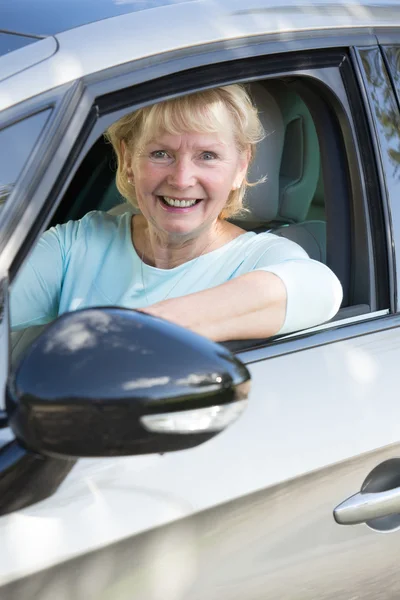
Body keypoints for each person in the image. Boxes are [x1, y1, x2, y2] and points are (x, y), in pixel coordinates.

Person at [10, 84, 342, 341]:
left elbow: (321, 290)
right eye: (160, 153)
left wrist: (131, 334)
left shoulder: (262, 258)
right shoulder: (81, 242)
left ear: (241, 165)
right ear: (127, 160)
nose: (182, 179)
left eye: (208, 156)